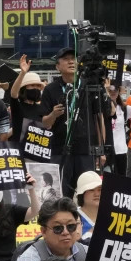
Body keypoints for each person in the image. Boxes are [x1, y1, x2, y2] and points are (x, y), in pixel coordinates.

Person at [37, 47, 105, 196]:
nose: (71, 62)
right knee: (61, 192)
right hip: (59, 150)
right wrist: (54, 114)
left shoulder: (88, 86)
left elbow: (98, 118)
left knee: (88, 192)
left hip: (85, 149)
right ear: (57, 66)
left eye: (73, 58)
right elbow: (45, 123)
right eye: (66, 59)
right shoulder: (50, 89)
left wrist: (101, 148)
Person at [8, 55, 47, 151]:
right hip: (18, 152)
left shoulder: (42, 108)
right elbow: (13, 93)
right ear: (24, 88)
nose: (36, 88)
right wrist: (23, 73)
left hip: (38, 153)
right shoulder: (18, 106)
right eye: (32, 85)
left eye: (38, 86)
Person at [74, 171, 101, 238]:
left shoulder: (111, 216)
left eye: (100, 190)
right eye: (91, 190)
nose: (97, 194)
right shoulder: (72, 216)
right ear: (81, 194)